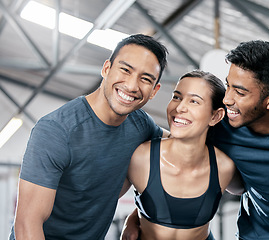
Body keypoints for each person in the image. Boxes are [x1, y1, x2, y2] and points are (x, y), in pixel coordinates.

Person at [123, 40, 269, 239]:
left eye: (239, 92)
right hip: (256, 235)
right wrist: (141, 213)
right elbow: (175, 151)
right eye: (228, 85)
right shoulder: (222, 125)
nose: (227, 99)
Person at [10, 34, 169, 240]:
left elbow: (181, 147)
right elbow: (27, 225)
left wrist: (137, 215)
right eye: (125, 70)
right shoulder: (56, 130)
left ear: (154, 91)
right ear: (106, 69)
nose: (131, 86)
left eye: (145, 79)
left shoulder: (140, 124)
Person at [121, 70, 240, 240]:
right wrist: (131, 221)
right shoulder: (141, 157)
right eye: (177, 97)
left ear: (215, 116)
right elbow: (101, 201)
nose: (180, 107)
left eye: (194, 101)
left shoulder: (225, 167)